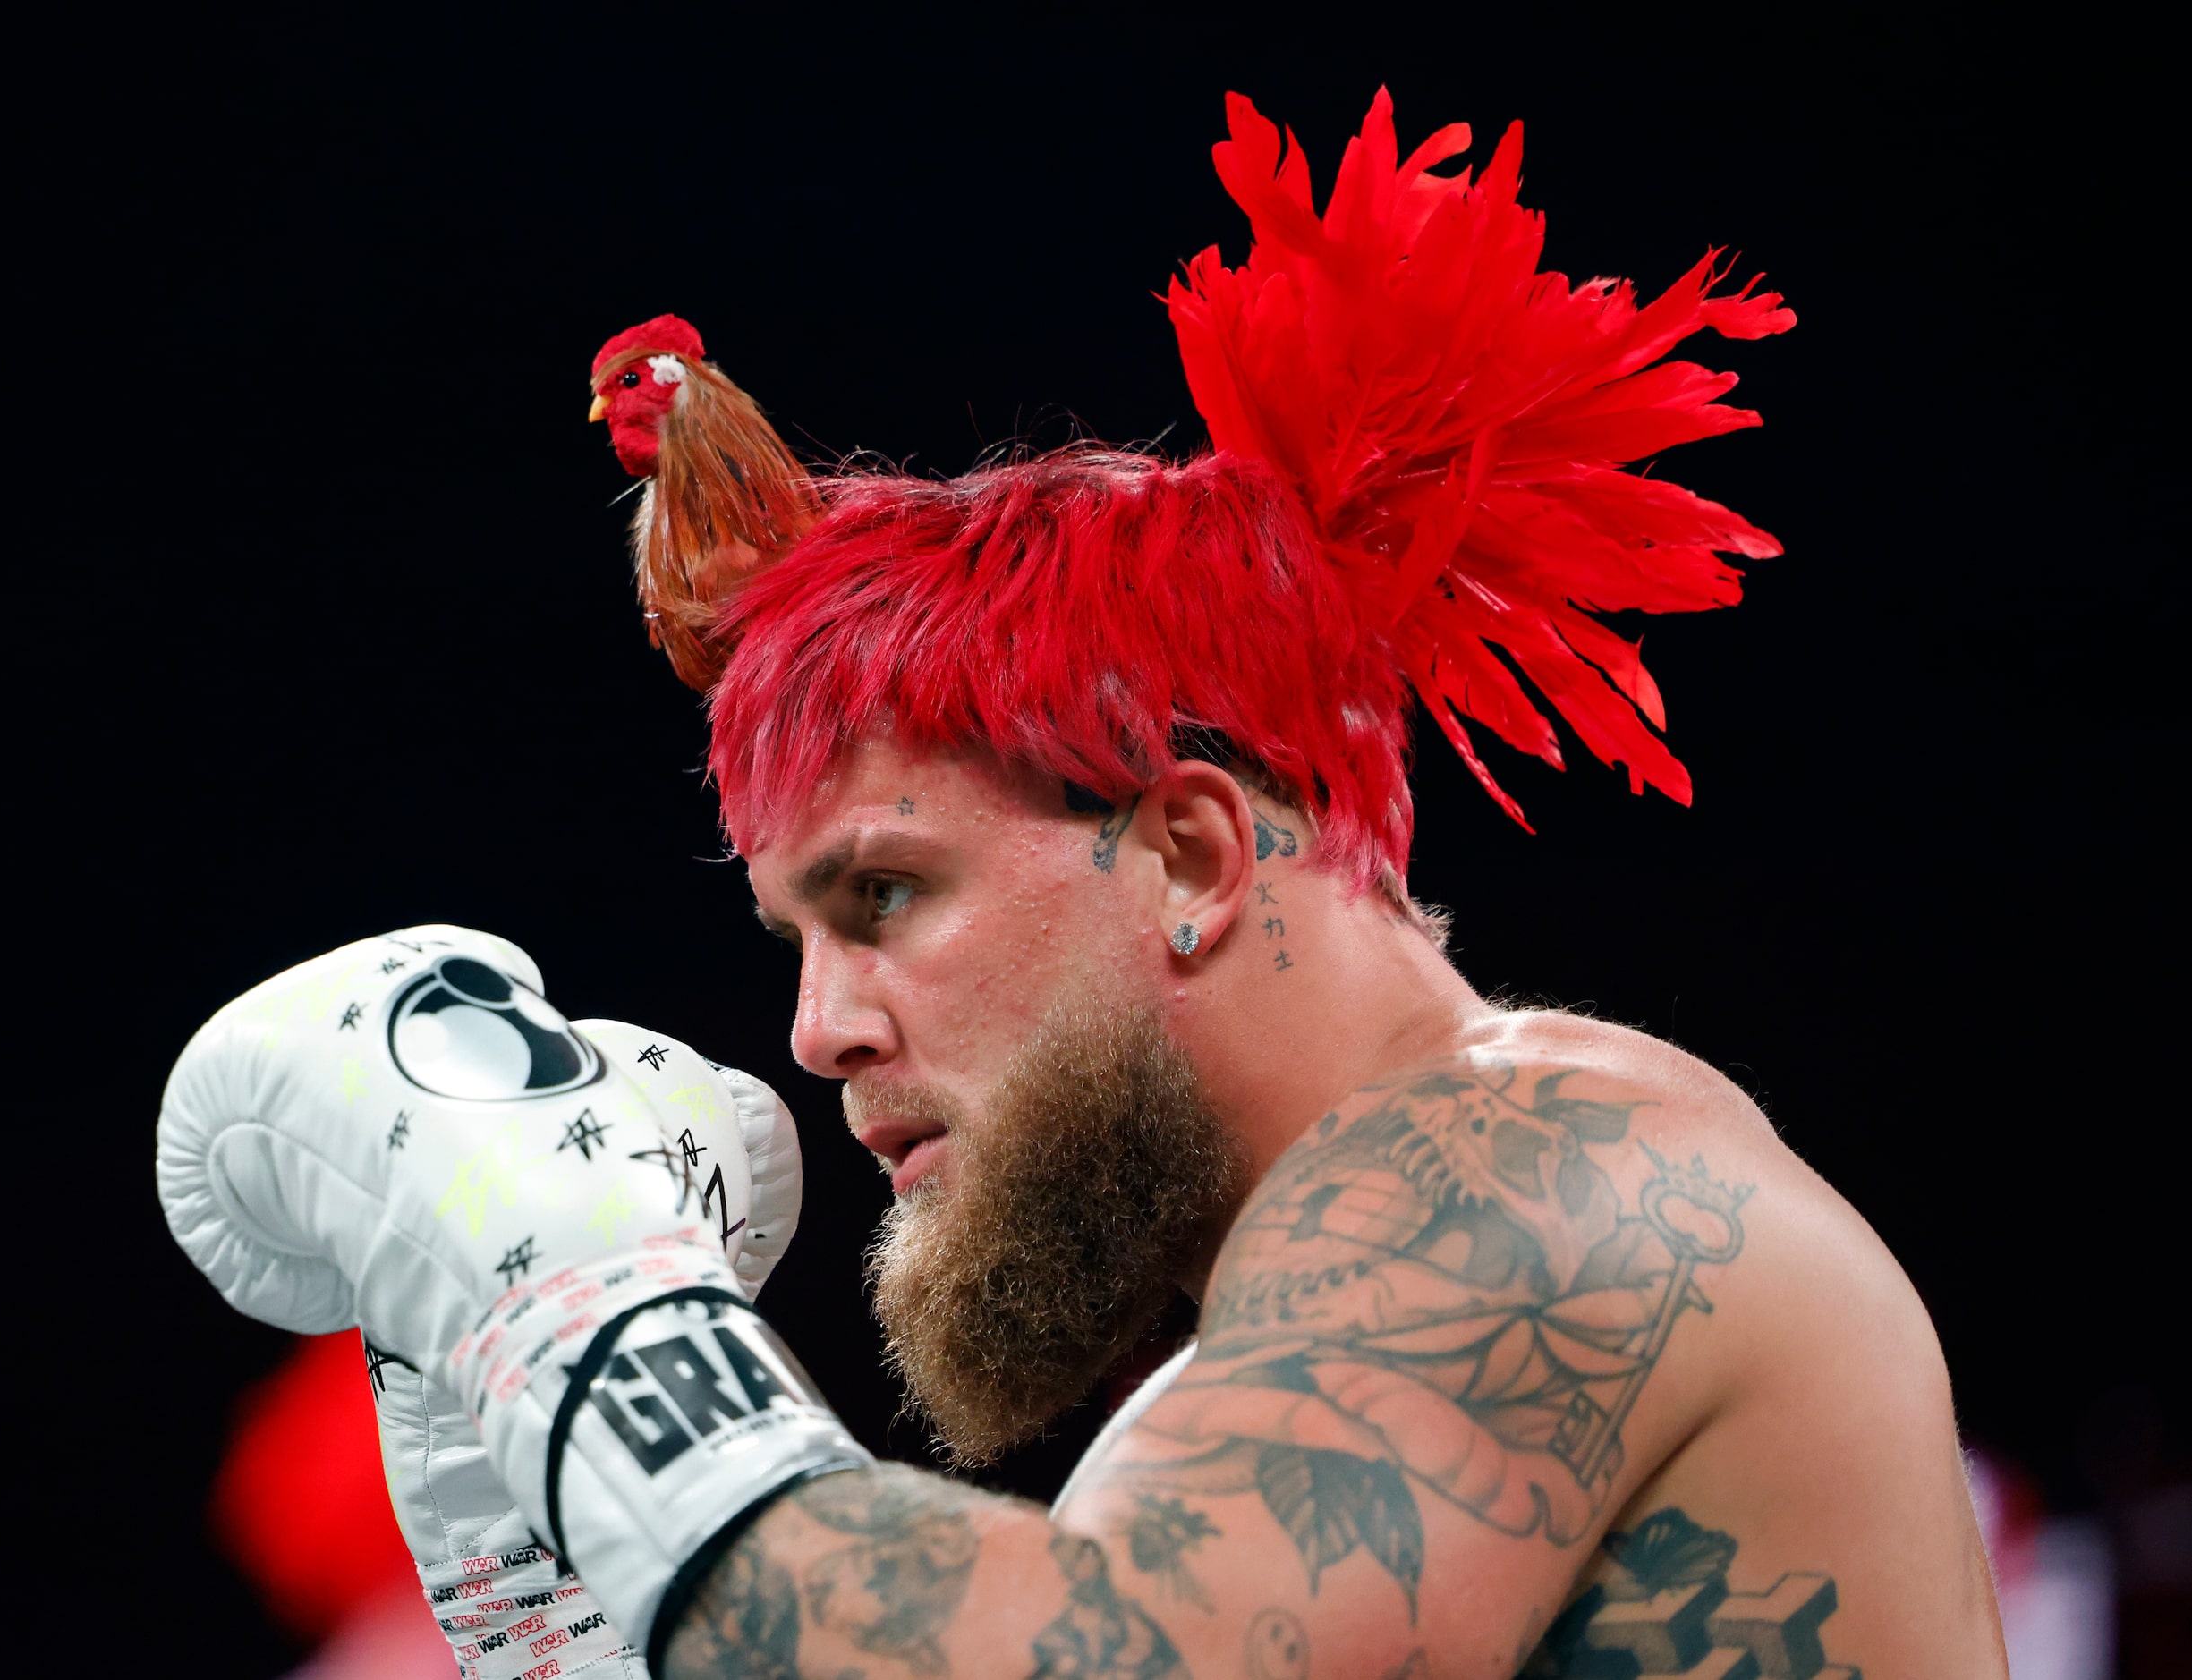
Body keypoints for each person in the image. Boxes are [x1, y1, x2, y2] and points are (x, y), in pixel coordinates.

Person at [160, 90, 2008, 1678]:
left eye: (879, 899)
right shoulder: (1269, 1358)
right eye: (793, 937)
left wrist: (584, 1323)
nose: (813, 1030)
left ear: (1188, 854)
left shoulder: (1538, 1179)